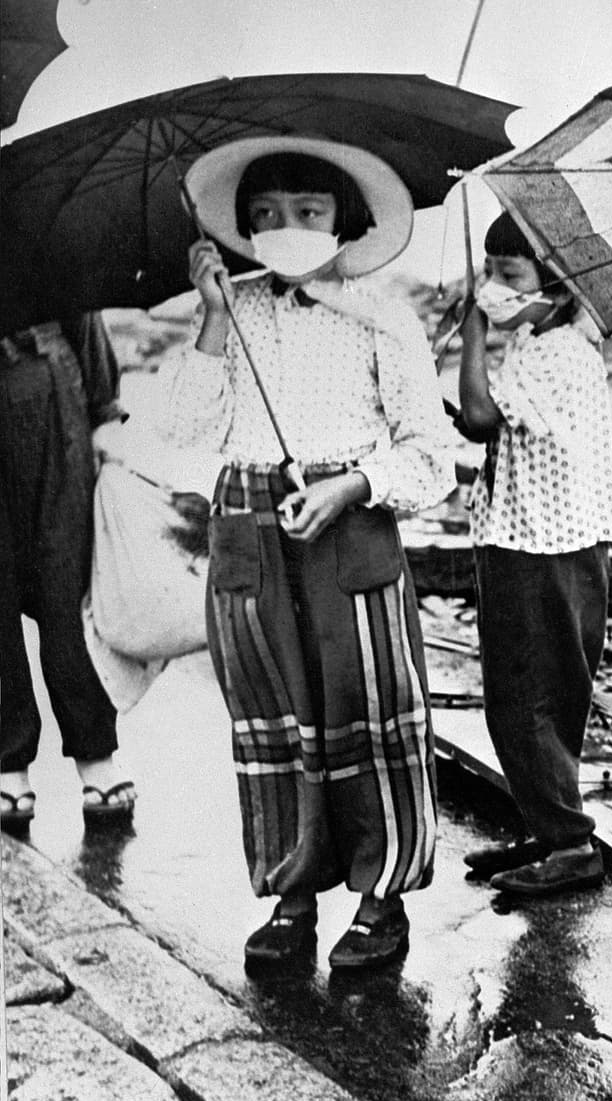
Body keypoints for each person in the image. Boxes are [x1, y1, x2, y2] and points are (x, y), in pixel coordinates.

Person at [161, 137, 454, 969]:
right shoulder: (234, 308)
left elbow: (432, 455)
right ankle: (292, 895)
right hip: (250, 537)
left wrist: (353, 485)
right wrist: (213, 316)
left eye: (307, 210)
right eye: (265, 214)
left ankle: (381, 897)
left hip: (348, 530)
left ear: (343, 219)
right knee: (274, 715)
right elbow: (183, 427)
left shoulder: (384, 316)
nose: (284, 226)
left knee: (366, 710)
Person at [455, 211, 612, 897]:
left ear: (553, 280)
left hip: (541, 543)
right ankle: (547, 825)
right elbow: (502, 429)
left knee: (527, 696)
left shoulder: (558, 352)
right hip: (540, 537)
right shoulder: (539, 340)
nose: (492, 286)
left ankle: (569, 843)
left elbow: (480, 418)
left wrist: (472, 332)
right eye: (488, 272)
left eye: (508, 273)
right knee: (541, 693)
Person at [1, 311, 136, 833]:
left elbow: (83, 310)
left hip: (55, 402)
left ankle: (96, 753)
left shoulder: (46, 251)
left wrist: (104, 417)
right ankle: (7, 761)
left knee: (69, 583)